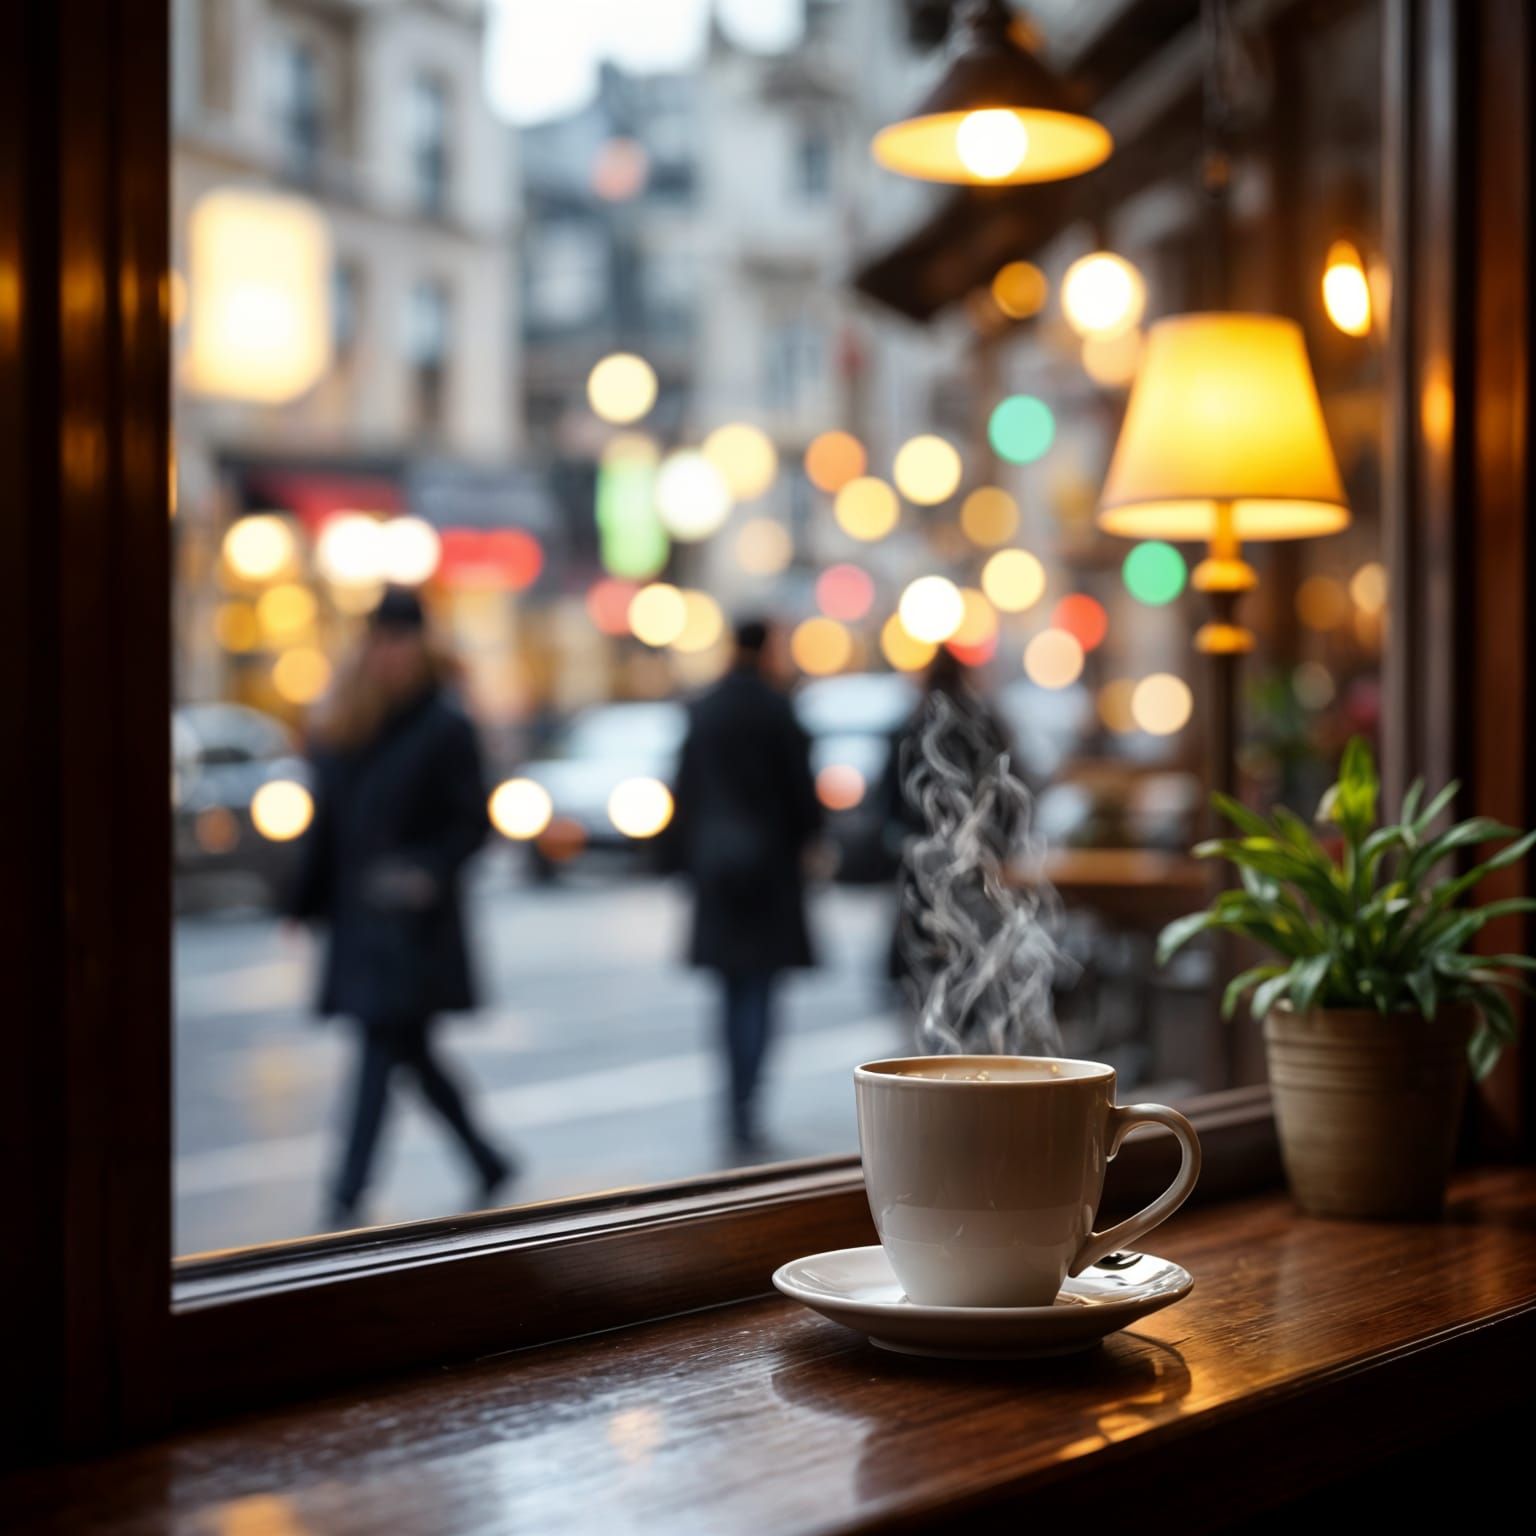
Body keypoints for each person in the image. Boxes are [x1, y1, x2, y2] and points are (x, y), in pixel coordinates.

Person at [288, 586, 513, 1228]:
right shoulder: (344, 719)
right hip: (362, 918)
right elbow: (326, 825)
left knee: (382, 1042)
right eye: (382, 640)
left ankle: (347, 1190)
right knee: (403, 1045)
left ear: (421, 644)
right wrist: (301, 902)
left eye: (402, 640)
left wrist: (426, 873)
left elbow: (472, 824)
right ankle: (485, 1157)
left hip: (413, 920)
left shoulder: (446, 725)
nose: (391, 654)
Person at [670, 618, 823, 1155]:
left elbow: (683, 789)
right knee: (759, 992)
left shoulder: (705, 707)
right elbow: (802, 794)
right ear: (768, 647)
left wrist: (681, 858)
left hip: (716, 872)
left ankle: (733, 1104)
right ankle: (747, 1105)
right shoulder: (777, 708)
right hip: (770, 873)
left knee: (730, 992)